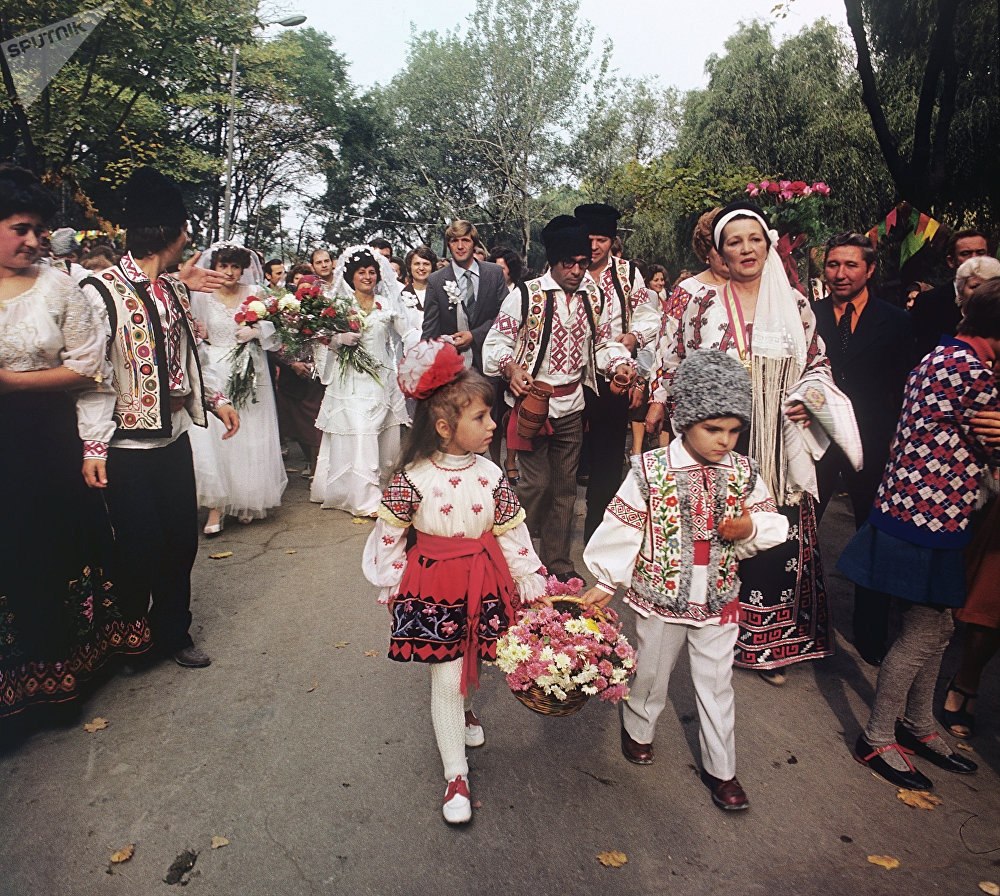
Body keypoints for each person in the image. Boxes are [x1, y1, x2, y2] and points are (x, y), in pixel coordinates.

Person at [647, 201, 861, 685]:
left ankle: (766, 645)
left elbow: (818, 364)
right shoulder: (698, 300)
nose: (745, 249)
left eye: (754, 240)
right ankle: (703, 628)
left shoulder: (797, 303)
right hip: (718, 435)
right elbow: (671, 357)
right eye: (734, 242)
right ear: (720, 252)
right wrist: (664, 405)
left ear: (768, 245)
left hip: (779, 438)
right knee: (717, 530)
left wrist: (811, 397)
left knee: (773, 531)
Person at [582, 351, 788, 811]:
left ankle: (722, 768)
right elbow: (625, 525)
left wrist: (750, 528)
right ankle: (638, 727)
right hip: (660, 597)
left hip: (718, 599)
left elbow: (774, 521)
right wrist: (606, 577)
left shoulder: (743, 472)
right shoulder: (650, 471)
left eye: (734, 430)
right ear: (684, 418)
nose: (724, 441)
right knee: (652, 672)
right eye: (713, 429)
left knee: (716, 683)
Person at [362, 340, 546, 825]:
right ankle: (455, 774)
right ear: (444, 427)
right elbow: (390, 536)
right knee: (444, 675)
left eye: (490, 417)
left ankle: (464, 711)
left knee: (475, 652)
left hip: (484, 580)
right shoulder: (413, 479)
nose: (492, 425)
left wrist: (528, 574)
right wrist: (391, 583)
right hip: (433, 586)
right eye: (482, 417)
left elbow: (511, 529)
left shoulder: (490, 473)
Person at [0, 165, 150, 724]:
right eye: (20, 228)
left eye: (39, 229)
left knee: (48, 549)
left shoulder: (59, 288)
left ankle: (62, 676)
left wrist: (93, 450)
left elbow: (91, 370)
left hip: (44, 441)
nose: (34, 240)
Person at [77, 167, 240, 669]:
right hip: (125, 447)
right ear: (168, 233)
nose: (190, 236)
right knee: (138, 547)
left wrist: (214, 398)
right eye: (185, 227)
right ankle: (131, 638)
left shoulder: (173, 290)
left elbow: (191, 354)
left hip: (174, 439)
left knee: (179, 542)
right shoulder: (98, 290)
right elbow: (95, 377)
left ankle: (174, 632)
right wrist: (94, 445)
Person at [840, 281, 1000, 789]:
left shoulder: (938, 357)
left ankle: (917, 724)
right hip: (932, 518)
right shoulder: (975, 376)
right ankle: (879, 734)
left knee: (939, 625)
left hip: (908, 509)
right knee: (928, 629)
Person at [482, 215, 635, 581]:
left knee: (566, 491)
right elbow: (495, 344)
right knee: (536, 485)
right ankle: (515, 552)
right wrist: (511, 369)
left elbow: (600, 344)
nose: (577, 271)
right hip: (533, 406)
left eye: (583, 263)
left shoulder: (592, 296)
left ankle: (559, 562)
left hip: (572, 407)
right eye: (570, 263)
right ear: (554, 261)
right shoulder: (526, 295)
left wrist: (618, 365)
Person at [813, 232, 917, 665]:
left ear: (870, 270)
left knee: (871, 534)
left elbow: (905, 385)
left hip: (874, 446)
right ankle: (793, 623)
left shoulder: (896, 321)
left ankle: (870, 634)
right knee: (796, 529)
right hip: (814, 442)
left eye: (850, 265)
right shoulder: (809, 315)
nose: (840, 274)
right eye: (833, 265)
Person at [574, 203, 661, 542]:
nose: (593, 247)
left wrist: (634, 337)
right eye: (589, 239)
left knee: (609, 457)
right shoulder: (568, 270)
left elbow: (648, 316)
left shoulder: (627, 274)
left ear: (612, 241)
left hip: (614, 379)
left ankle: (598, 534)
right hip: (571, 377)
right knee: (569, 455)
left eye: (601, 240)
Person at [311, 246, 417, 516]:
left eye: (372, 272)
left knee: (382, 433)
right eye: (362, 272)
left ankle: (379, 486)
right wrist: (338, 339)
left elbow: (407, 334)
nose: (368, 277)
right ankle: (364, 498)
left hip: (381, 379)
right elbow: (322, 339)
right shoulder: (340, 306)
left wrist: (423, 351)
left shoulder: (387, 304)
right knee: (361, 430)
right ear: (351, 276)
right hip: (352, 381)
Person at [188, 243, 287, 534]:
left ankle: (246, 500)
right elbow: (192, 334)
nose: (229, 272)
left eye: (234, 267)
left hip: (251, 368)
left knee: (251, 434)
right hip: (216, 369)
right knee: (218, 439)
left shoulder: (256, 295)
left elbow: (277, 333)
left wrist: (257, 331)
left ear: (243, 268)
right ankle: (216, 508)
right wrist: (200, 334)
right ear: (214, 267)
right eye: (223, 266)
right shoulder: (202, 295)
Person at [421, 220, 509, 374]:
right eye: (454, 241)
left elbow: (506, 317)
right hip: (453, 368)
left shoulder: (494, 273)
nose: (460, 246)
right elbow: (430, 330)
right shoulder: (436, 280)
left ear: (474, 244)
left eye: (465, 240)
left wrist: (474, 335)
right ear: (449, 245)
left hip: (490, 363)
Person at [910, 229, 989, 359]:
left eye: (981, 253)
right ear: (951, 261)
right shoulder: (928, 303)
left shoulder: (996, 299)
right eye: (966, 254)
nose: (975, 260)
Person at [400, 245, 438, 329]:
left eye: (426, 264)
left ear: (432, 267)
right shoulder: (402, 296)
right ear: (410, 266)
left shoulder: (440, 291)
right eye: (417, 264)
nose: (421, 268)